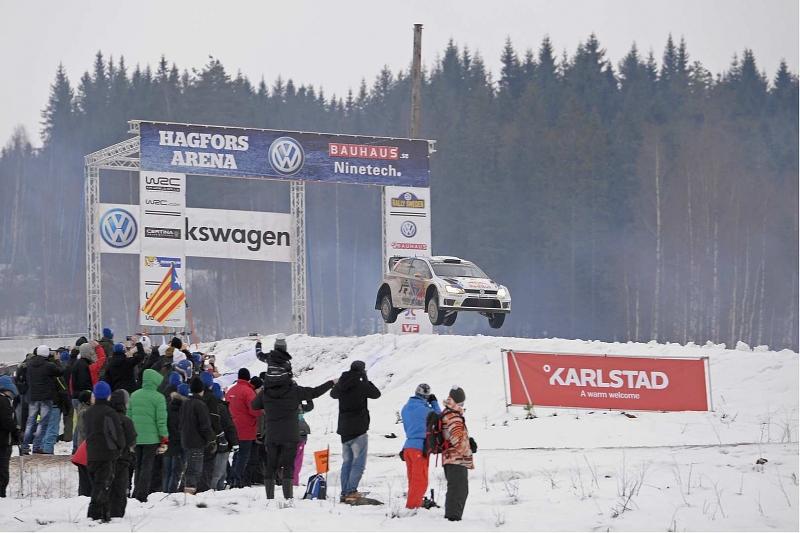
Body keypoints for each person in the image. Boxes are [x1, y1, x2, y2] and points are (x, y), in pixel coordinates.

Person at [251, 348, 336, 503]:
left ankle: (270, 497)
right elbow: (315, 392)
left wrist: (264, 392)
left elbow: (254, 405)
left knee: (271, 465)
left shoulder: (266, 392)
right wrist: (331, 382)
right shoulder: (294, 391)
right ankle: (288, 497)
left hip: (272, 434)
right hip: (290, 434)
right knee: (288, 465)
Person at [330, 360, 381, 503]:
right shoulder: (361, 384)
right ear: (362, 371)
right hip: (359, 429)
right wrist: (365, 380)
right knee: (358, 463)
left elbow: (333, 394)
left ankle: (345, 492)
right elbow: (376, 394)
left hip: (345, 430)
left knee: (347, 462)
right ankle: (351, 491)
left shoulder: (342, 383)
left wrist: (340, 383)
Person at [83, 381, 123, 522]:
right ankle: (94, 515)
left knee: (98, 484)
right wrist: (120, 446)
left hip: (91, 453)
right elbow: (116, 434)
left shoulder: (88, 413)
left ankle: (105, 515)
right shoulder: (110, 413)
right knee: (102, 486)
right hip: (107, 454)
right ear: (108, 396)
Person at [127, 368, 168, 502]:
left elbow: (129, 417)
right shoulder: (158, 398)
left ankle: (136, 492)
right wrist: (164, 438)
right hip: (151, 439)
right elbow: (161, 420)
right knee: (147, 467)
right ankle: (141, 495)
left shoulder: (134, 395)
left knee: (138, 465)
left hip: (136, 438)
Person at [400, 383, 441, 509]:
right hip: (420, 447)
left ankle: (416, 503)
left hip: (408, 447)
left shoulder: (405, 408)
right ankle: (412, 507)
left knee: (413, 480)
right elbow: (439, 418)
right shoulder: (426, 410)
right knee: (420, 481)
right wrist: (434, 403)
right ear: (427, 396)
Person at [440, 387, 475, 521]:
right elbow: (457, 440)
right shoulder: (454, 416)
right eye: (462, 403)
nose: (463, 406)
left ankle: (452, 517)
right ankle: (452, 520)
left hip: (449, 458)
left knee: (456, 489)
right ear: (459, 402)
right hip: (456, 459)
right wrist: (469, 449)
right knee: (459, 490)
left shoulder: (448, 413)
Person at [21, 345, 62, 455]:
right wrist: (57, 360)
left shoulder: (29, 365)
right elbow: (60, 372)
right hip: (45, 397)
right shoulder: (49, 366)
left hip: (32, 397)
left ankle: (24, 446)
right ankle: (36, 446)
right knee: (42, 423)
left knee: (30, 422)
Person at [226, 368, 262, 488]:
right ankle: (238, 480)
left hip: (232, 428)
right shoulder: (248, 392)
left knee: (237, 455)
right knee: (244, 456)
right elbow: (254, 410)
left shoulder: (230, 390)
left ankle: (232, 479)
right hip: (246, 429)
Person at [180, 377, 215, 495]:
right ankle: (188, 495)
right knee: (194, 470)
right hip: (197, 441)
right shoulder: (200, 405)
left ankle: (183, 492)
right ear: (202, 390)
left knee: (189, 467)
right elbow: (205, 425)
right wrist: (210, 439)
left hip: (185, 440)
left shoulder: (185, 403)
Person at [109, 389, 137, 519]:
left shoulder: (106, 418)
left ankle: (106, 511)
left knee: (107, 486)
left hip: (106, 459)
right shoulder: (126, 421)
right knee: (120, 487)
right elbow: (132, 439)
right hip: (122, 459)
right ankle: (117, 514)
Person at [210, 383, 238, 490]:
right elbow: (229, 426)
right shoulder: (221, 407)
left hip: (211, 442)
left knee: (218, 469)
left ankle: (216, 488)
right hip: (223, 442)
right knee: (220, 471)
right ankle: (216, 489)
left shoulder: (206, 404)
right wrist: (234, 442)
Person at [162, 383, 188, 493]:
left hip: (167, 442)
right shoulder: (184, 408)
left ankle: (164, 491)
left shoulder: (168, 404)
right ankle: (170, 493)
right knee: (175, 471)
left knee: (167, 471)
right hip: (179, 443)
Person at [0, 375, 20, 498]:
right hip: (3, 441)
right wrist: (16, 430)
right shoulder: (4, 401)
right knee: (2, 470)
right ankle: (2, 494)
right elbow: (7, 420)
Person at [293, 400, 313, 486]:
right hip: (300, 433)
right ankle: (294, 481)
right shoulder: (298, 404)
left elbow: (310, 407)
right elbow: (310, 406)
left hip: (289, 433)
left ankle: (290, 481)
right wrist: (308, 397)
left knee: (291, 459)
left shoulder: (282, 401)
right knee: (297, 459)